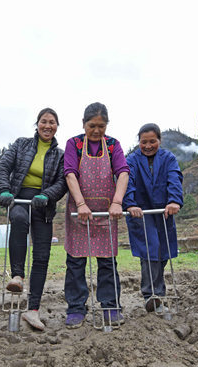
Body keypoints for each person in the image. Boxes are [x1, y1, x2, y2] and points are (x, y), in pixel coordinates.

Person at [0, 108, 67, 331]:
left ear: (57, 127)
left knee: (42, 255)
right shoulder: (21, 144)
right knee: (18, 221)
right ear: (37, 124)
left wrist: (47, 195)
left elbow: (62, 181)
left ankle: (33, 310)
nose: (47, 126)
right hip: (19, 199)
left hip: (42, 204)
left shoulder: (60, 154)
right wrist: (4, 190)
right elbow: (3, 167)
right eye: (44, 121)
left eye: (52, 122)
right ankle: (17, 276)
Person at [63, 102, 130, 328]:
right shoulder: (74, 144)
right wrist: (81, 204)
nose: (97, 130)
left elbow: (122, 173)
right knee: (75, 262)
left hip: (106, 213)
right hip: (79, 214)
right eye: (92, 125)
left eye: (101, 126)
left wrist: (117, 202)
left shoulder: (112, 145)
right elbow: (70, 174)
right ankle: (76, 308)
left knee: (107, 262)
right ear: (84, 124)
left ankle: (110, 306)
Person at [123, 123, 183, 312]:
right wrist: (130, 203)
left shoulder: (168, 158)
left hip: (163, 212)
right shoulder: (131, 159)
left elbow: (174, 177)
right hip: (141, 213)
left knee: (162, 251)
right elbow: (127, 181)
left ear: (159, 140)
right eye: (143, 142)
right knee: (150, 248)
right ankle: (152, 294)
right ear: (138, 142)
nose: (148, 146)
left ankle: (156, 291)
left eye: (152, 141)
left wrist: (174, 200)